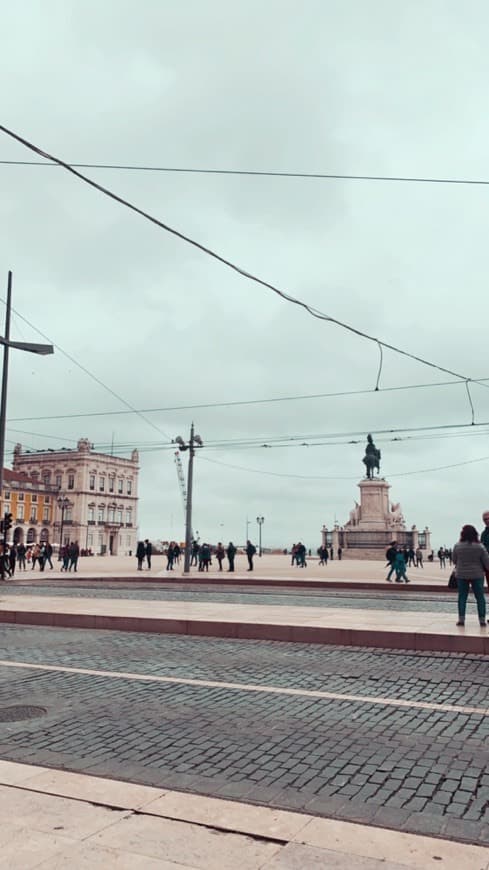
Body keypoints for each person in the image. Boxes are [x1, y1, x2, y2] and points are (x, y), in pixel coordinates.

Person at [452, 525, 489, 627]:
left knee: (462, 597)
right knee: (480, 597)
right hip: (477, 574)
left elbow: (454, 560)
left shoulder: (457, 546)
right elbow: (487, 562)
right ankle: (482, 620)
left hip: (461, 574)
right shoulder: (480, 546)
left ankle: (461, 620)